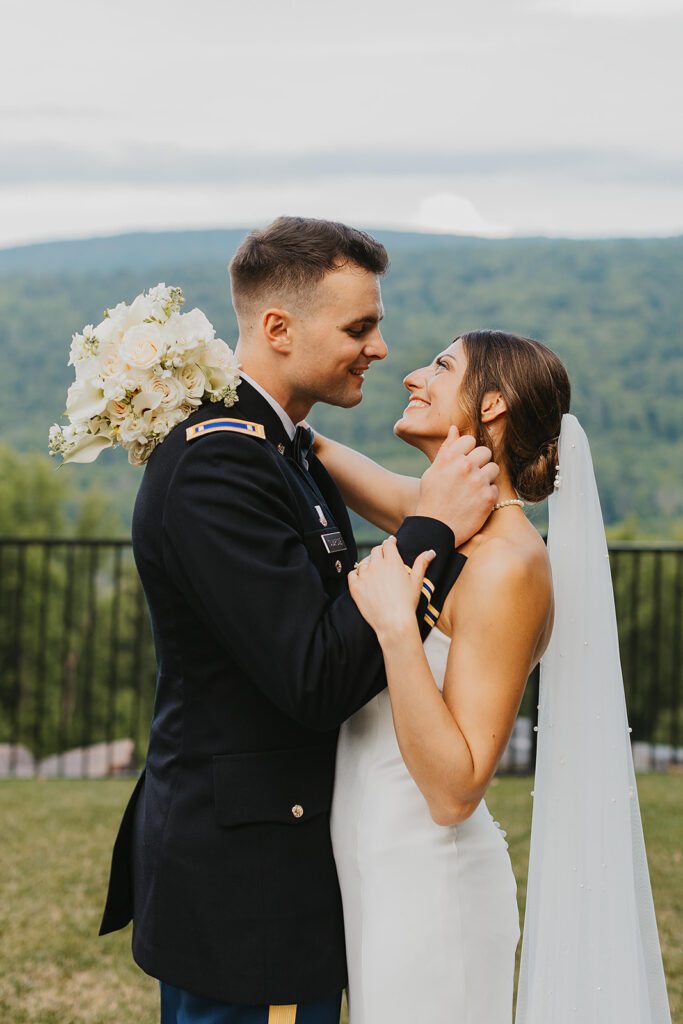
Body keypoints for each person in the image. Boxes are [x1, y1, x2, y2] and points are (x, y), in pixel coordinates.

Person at [98, 218, 500, 1024]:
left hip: (280, 865)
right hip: (251, 884)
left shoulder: (277, 450)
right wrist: (433, 530)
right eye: (360, 327)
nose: (379, 348)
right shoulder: (219, 463)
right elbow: (314, 677)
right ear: (278, 329)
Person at [321, 329, 671, 1024]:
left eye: (441, 365)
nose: (412, 376)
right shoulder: (455, 522)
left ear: (491, 406)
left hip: (430, 886)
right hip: (377, 862)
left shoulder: (508, 565)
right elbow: (318, 451)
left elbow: (456, 789)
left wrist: (397, 632)